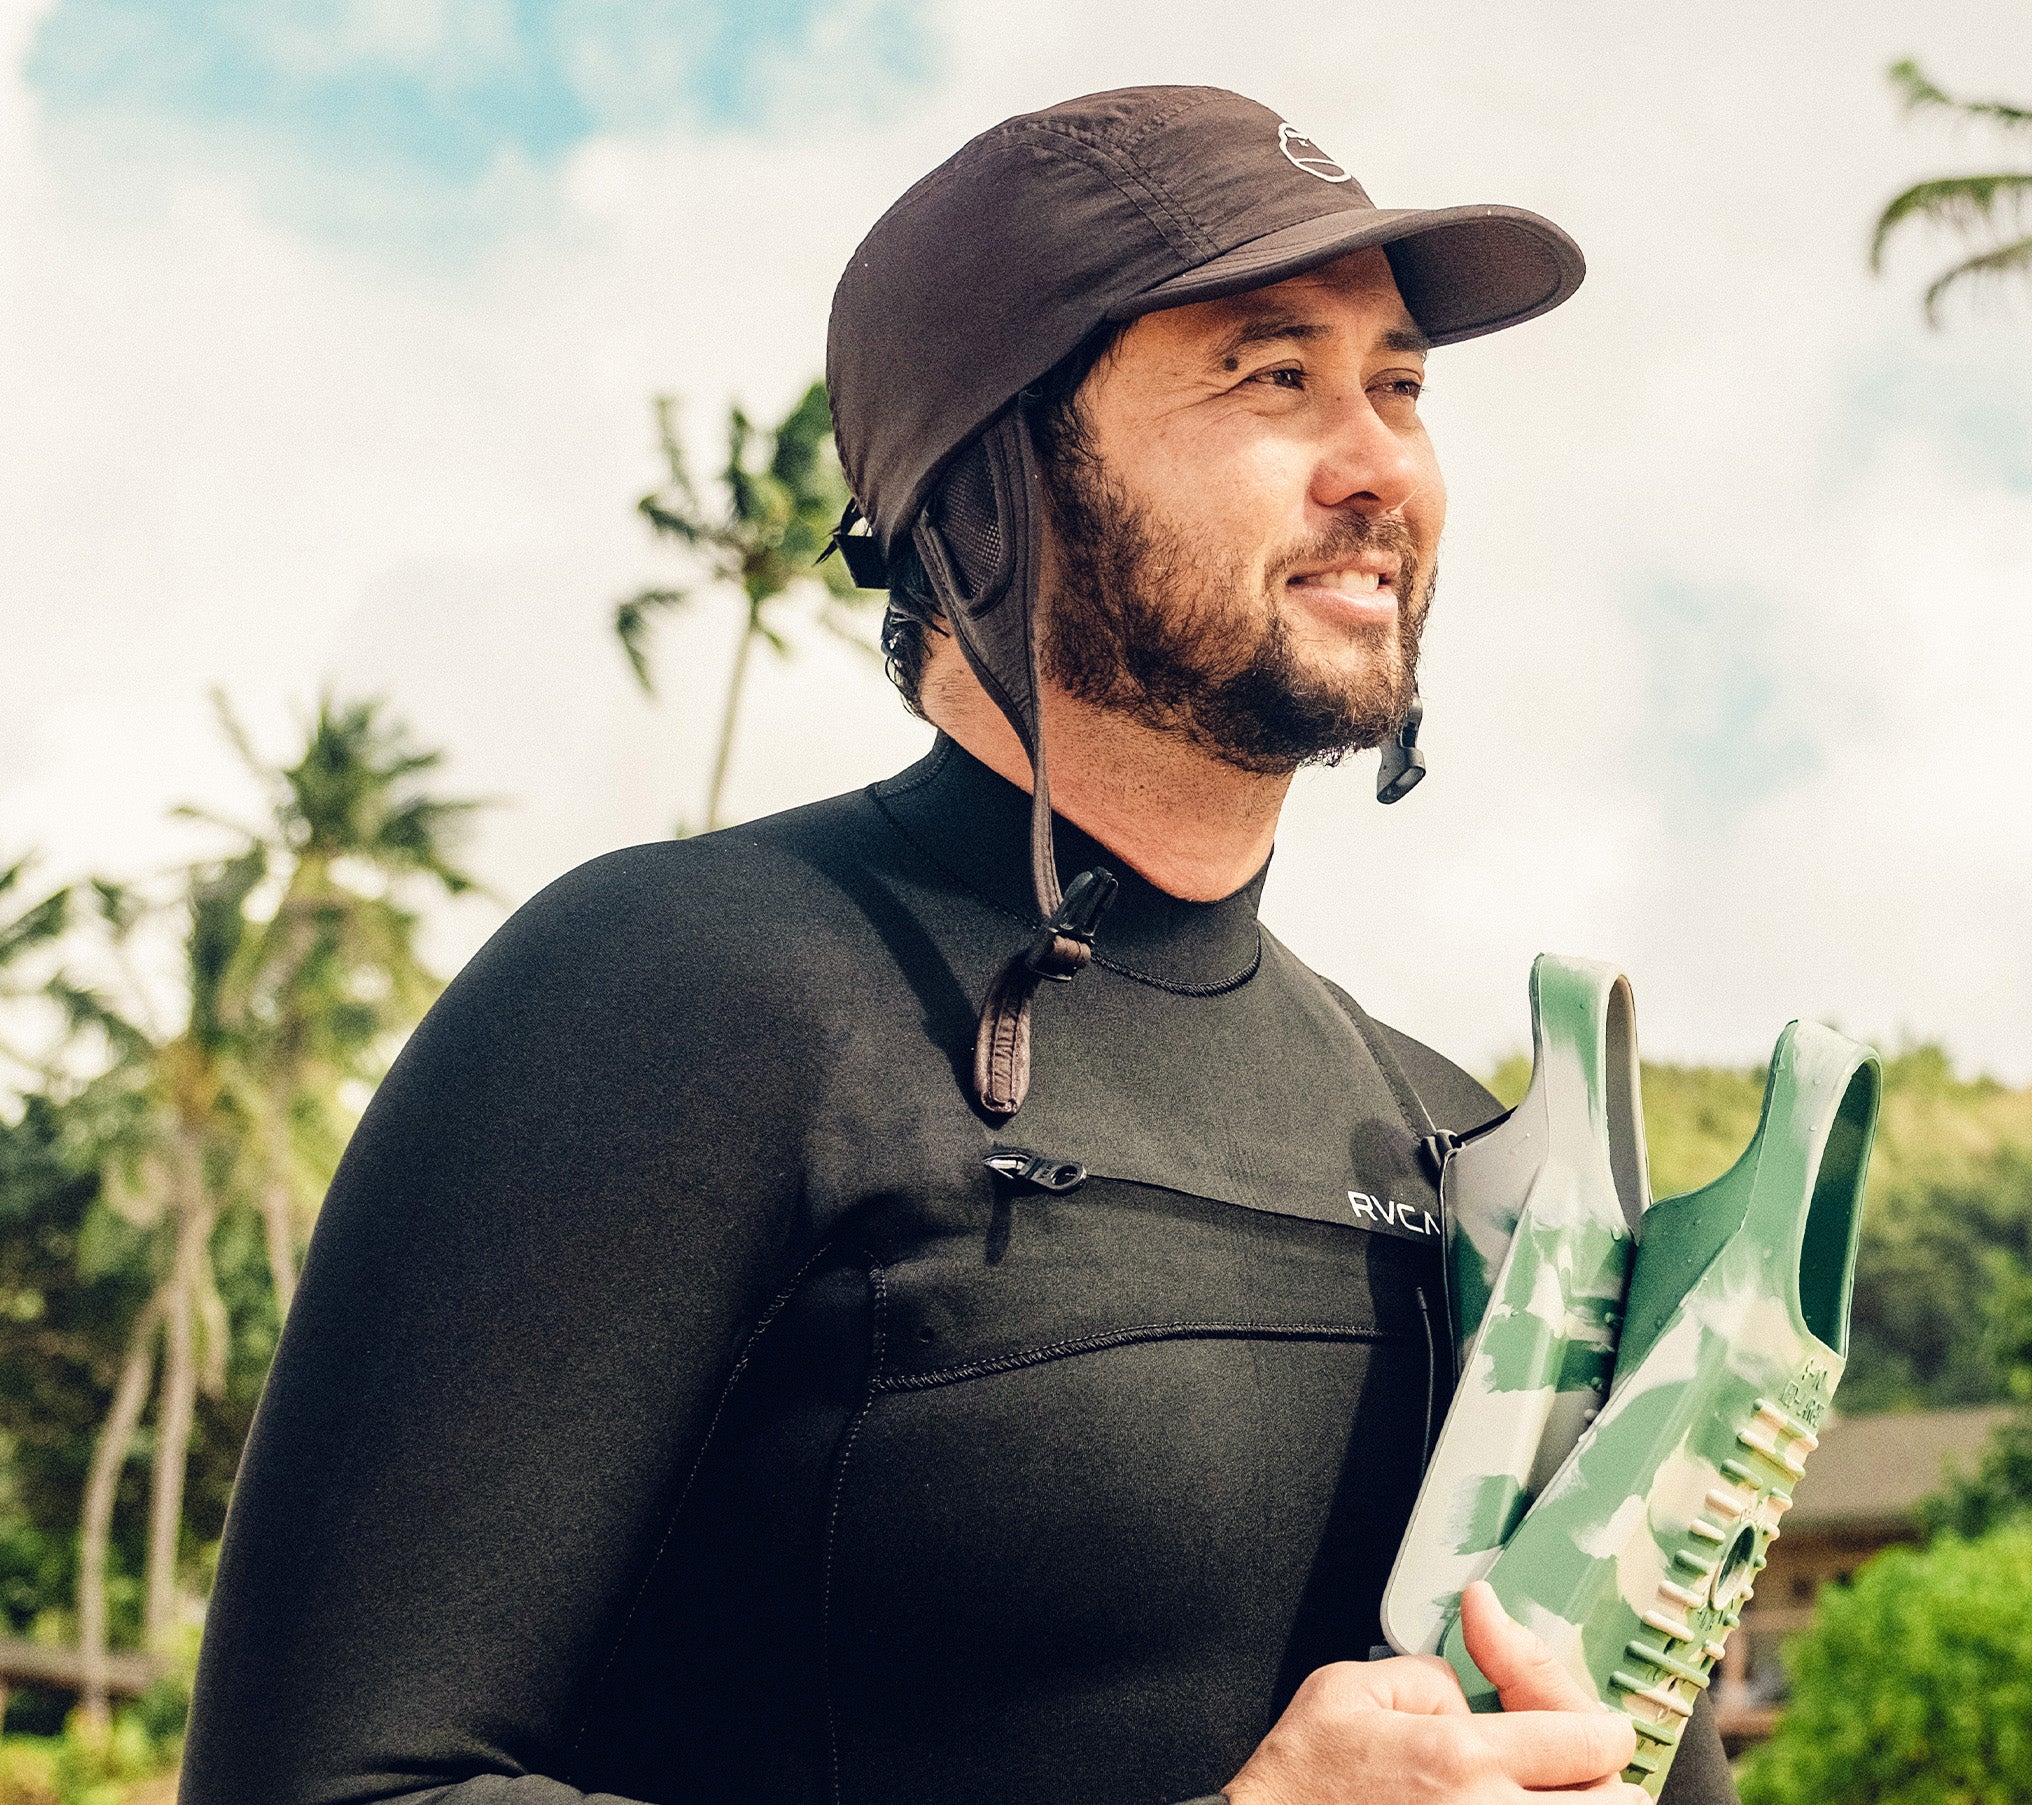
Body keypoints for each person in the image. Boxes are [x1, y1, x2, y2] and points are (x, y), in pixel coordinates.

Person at [181, 86, 1740, 1805]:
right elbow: (329, 1785)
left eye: (1401, 384)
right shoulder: (684, 995)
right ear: (996, 488)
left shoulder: (1460, 1144)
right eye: (1272, 373)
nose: (1379, 461)